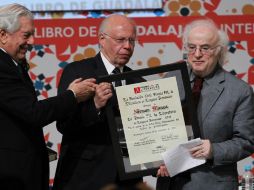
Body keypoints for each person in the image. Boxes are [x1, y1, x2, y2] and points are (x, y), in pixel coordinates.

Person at [0, 3, 96, 190]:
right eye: (26, 35)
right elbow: (33, 113)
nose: (32, 41)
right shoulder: (2, 66)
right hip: (12, 175)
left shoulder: (13, 63)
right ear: (3, 35)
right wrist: (73, 95)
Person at [156, 18, 254, 190]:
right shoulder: (172, 78)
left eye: (205, 48)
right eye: (192, 47)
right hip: (170, 183)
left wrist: (214, 150)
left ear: (218, 51)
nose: (198, 54)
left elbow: (246, 141)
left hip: (212, 184)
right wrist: (154, 158)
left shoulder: (240, 90)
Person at [53, 14, 145, 190]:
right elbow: (63, 125)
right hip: (85, 178)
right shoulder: (78, 71)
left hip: (128, 181)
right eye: (120, 40)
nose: (127, 46)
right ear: (102, 39)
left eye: (131, 41)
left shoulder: (138, 81)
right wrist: (94, 105)